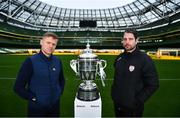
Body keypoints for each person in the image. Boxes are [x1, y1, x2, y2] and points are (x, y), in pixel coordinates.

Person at [14, 32, 65, 117]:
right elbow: (18, 87)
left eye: (53, 44)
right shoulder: (30, 61)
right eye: (48, 43)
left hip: (55, 107)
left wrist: (58, 93)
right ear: (41, 42)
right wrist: (34, 98)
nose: (50, 46)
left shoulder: (57, 61)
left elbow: (61, 80)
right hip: (37, 108)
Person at [111, 29, 159, 117]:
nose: (127, 42)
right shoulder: (119, 58)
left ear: (136, 41)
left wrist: (137, 101)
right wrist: (114, 95)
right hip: (117, 105)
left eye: (130, 39)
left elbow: (153, 84)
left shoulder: (145, 59)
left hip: (133, 109)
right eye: (125, 39)